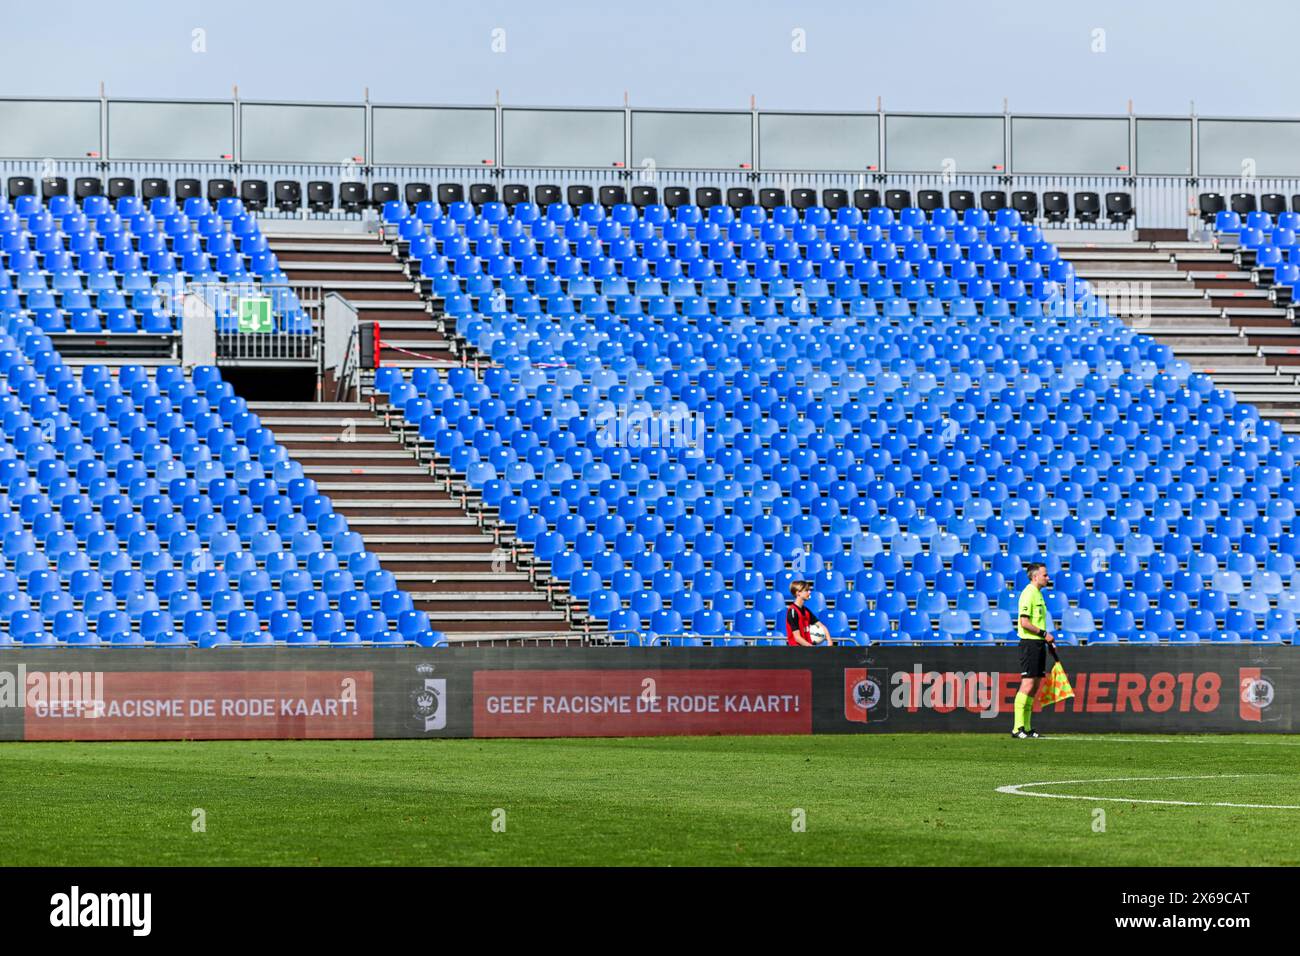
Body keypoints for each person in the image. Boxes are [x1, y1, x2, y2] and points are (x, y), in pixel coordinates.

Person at [1012, 562, 1054, 739]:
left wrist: (1046, 640)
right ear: (1035, 576)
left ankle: (1027, 728)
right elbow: (1025, 623)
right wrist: (1045, 634)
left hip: (1038, 644)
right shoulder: (1028, 593)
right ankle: (1017, 728)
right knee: (1027, 684)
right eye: (1045, 575)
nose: (1048, 578)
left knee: (1035, 685)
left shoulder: (1038, 594)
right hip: (1030, 643)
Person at [785, 580, 829, 646]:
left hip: (807, 649)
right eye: (806, 590)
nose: (809, 592)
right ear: (798, 593)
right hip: (796, 651)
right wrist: (811, 647)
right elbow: (797, 638)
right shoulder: (793, 611)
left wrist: (829, 640)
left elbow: (821, 626)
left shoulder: (806, 611)